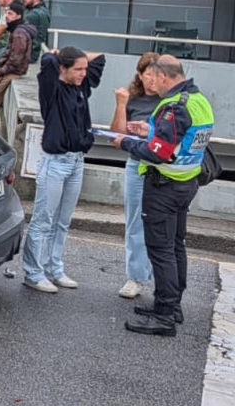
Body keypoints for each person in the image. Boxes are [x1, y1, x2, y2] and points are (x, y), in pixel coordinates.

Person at [116, 55, 215, 336]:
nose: (151, 83)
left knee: (161, 251)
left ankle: (163, 316)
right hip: (186, 183)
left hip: (164, 186)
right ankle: (173, 306)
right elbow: (183, 140)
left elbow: (159, 153)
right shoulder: (198, 100)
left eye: (154, 78)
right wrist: (151, 131)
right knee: (175, 246)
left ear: (163, 76)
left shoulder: (173, 106)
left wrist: (126, 142)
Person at [22, 46, 106, 293]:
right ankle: (33, 273)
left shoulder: (81, 87)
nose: (83, 73)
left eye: (84, 69)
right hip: (55, 162)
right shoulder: (52, 89)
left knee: (62, 221)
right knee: (43, 219)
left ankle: (54, 268)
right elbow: (47, 61)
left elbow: (99, 57)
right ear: (63, 69)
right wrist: (57, 55)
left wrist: (79, 57)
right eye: (77, 69)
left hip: (77, 160)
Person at [109, 53, 159, 300]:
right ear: (140, 75)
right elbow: (117, 136)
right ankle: (136, 276)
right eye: (148, 73)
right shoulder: (133, 100)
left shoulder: (170, 101)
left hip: (162, 168)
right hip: (136, 165)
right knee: (134, 223)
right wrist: (121, 104)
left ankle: (162, 277)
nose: (152, 79)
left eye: (157, 73)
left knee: (163, 226)